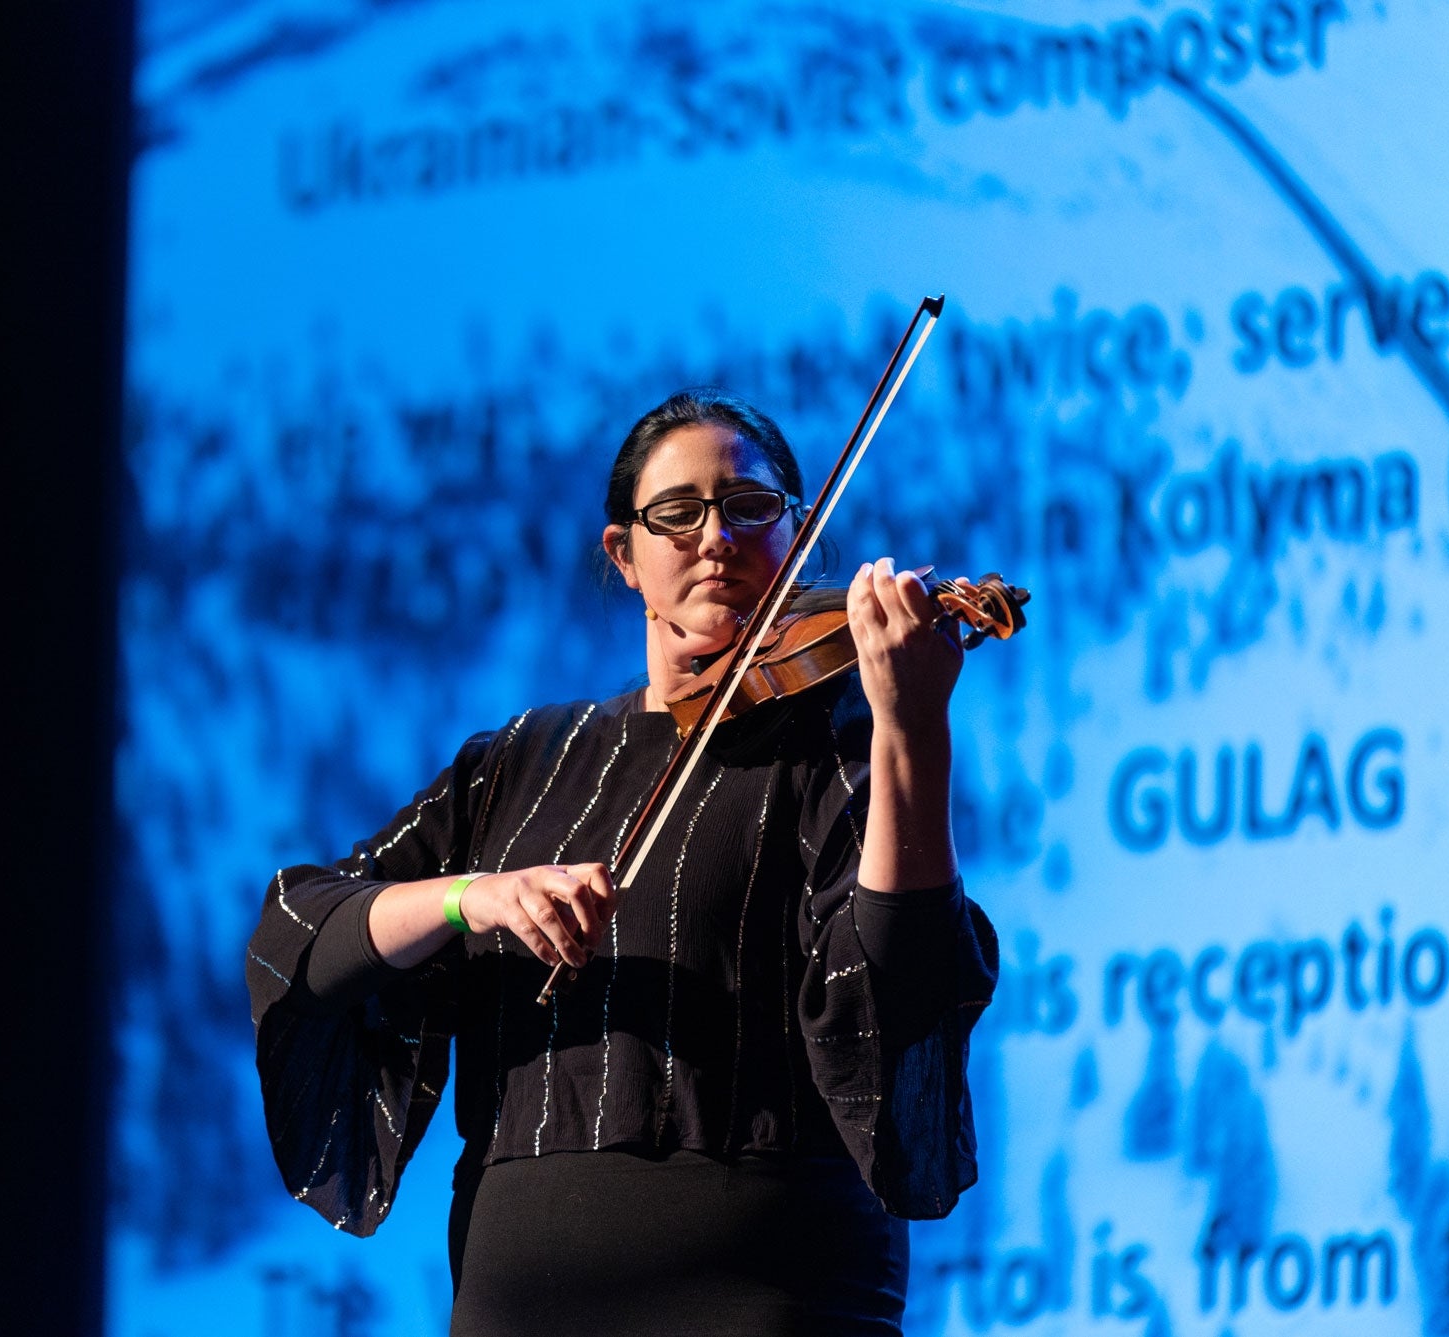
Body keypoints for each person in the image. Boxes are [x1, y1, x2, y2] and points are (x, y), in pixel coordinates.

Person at [246, 389, 999, 1335]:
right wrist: (473, 899)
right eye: (677, 513)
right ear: (624, 556)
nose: (715, 536)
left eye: (751, 507)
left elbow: (901, 998)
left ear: (799, 529)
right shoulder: (519, 761)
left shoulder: (835, 746)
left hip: (775, 1296)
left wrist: (911, 727)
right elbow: (304, 930)